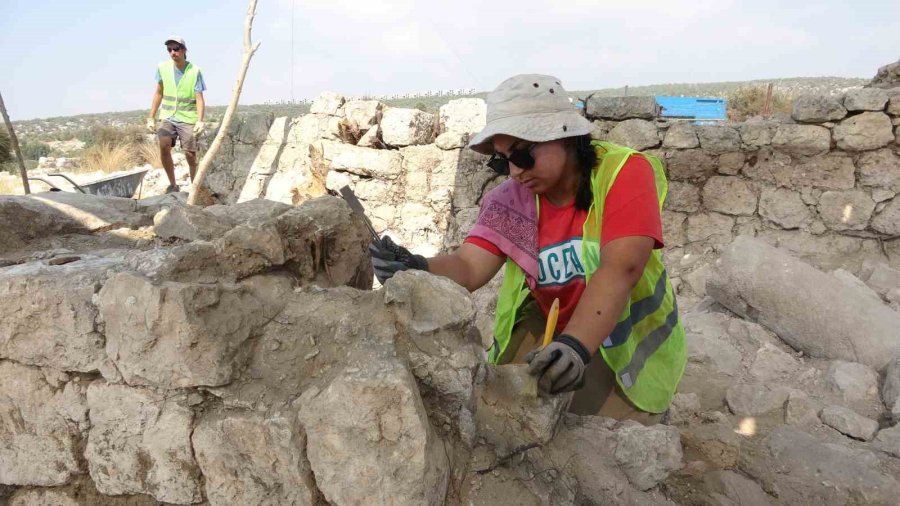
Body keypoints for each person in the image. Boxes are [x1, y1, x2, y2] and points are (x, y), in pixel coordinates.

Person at [370, 74, 686, 423]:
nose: (515, 172)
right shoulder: (511, 199)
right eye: (502, 161)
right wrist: (415, 267)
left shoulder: (622, 173)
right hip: (554, 324)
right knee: (508, 413)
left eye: (522, 154)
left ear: (563, 135)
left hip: (627, 338)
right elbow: (470, 266)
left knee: (599, 438)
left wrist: (576, 346)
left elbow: (621, 268)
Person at [146, 36, 207, 193]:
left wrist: (200, 120)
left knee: (190, 154)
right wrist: (151, 117)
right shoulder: (163, 68)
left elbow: (199, 98)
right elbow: (158, 93)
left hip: (188, 118)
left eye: (176, 49)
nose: (173, 52)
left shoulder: (194, 71)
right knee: (164, 145)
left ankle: (194, 187)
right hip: (168, 116)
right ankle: (173, 185)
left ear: (184, 50)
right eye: (170, 50)